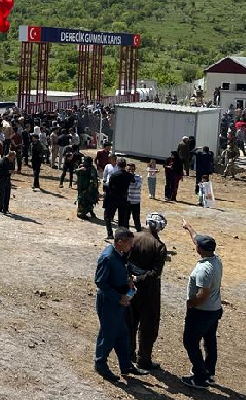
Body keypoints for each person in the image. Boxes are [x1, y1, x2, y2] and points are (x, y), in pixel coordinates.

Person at [94, 228, 148, 382]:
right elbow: (100, 282)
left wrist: (128, 281)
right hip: (109, 302)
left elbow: (121, 272)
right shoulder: (108, 257)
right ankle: (100, 364)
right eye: (129, 243)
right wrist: (119, 297)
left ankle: (126, 365)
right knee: (108, 334)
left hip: (119, 301)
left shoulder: (120, 254)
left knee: (122, 334)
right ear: (119, 242)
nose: (131, 246)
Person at [180, 220, 223, 389]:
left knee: (190, 342)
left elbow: (202, 295)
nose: (195, 245)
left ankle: (199, 377)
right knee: (210, 341)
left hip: (201, 311)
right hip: (215, 310)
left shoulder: (203, 270)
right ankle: (210, 372)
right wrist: (188, 227)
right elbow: (196, 238)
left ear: (200, 250)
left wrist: (190, 303)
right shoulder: (216, 259)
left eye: (197, 245)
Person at [126, 213, 168, 371]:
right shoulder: (159, 246)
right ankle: (143, 359)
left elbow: (124, 260)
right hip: (149, 291)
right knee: (148, 326)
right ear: (160, 227)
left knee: (130, 321)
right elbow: (155, 273)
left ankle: (128, 354)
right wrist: (141, 278)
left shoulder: (132, 237)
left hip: (130, 287)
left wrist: (131, 278)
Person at [104, 158, 133, 239]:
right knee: (121, 219)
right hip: (123, 198)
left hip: (113, 198)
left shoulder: (114, 175)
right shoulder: (129, 175)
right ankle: (119, 236)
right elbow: (133, 180)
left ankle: (110, 234)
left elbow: (109, 187)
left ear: (117, 165)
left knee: (107, 216)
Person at [125, 163, 142, 231]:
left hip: (135, 201)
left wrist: (133, 180)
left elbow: (138, 186)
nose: (131, 171)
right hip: (127, 201)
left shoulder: (138, 177)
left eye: (132, 169)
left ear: (135, 169)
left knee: (136, 218)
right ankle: (126, 233)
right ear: (126, 169)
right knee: (126, 218)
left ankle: (139, 232)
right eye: (129, 169)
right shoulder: (124, 177)